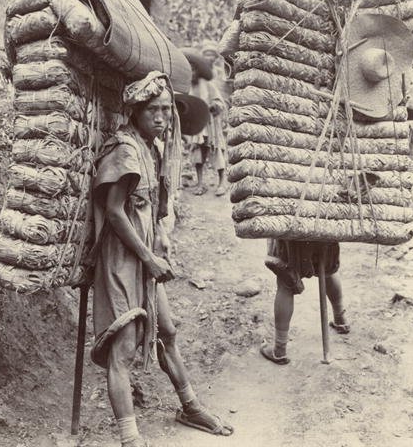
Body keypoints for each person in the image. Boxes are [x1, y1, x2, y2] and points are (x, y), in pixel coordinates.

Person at [91, 71, 233, 446]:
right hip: (121, 257)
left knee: (166, 332)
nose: (161, 118)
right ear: (135, 111)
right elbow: (116, 211)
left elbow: (151, 209)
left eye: (166, 111)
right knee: (123, 348)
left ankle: (190, 405)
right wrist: (148, 258)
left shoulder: (150, 150)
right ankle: (130, 438)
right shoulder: (124, 149)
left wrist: (161, 240)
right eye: (153, 110)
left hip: (145, 254)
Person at [261, 238, 350, 365]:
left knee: (284, 283)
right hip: (323, 228)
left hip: (293, 234)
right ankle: (341, 319)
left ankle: (280, 349)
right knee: (327, 269)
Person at [182, 48, 227, 197]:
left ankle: (222, 183)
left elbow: (219, 102)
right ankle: (200, 183)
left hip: (211, 124)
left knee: (216, 151)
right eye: (189, 70)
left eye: (194, 70)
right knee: (197, 154)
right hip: (197, 125)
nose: (192, 73)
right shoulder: (187, 86)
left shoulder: (207, 85)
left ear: (198, 71)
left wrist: (213, 106)